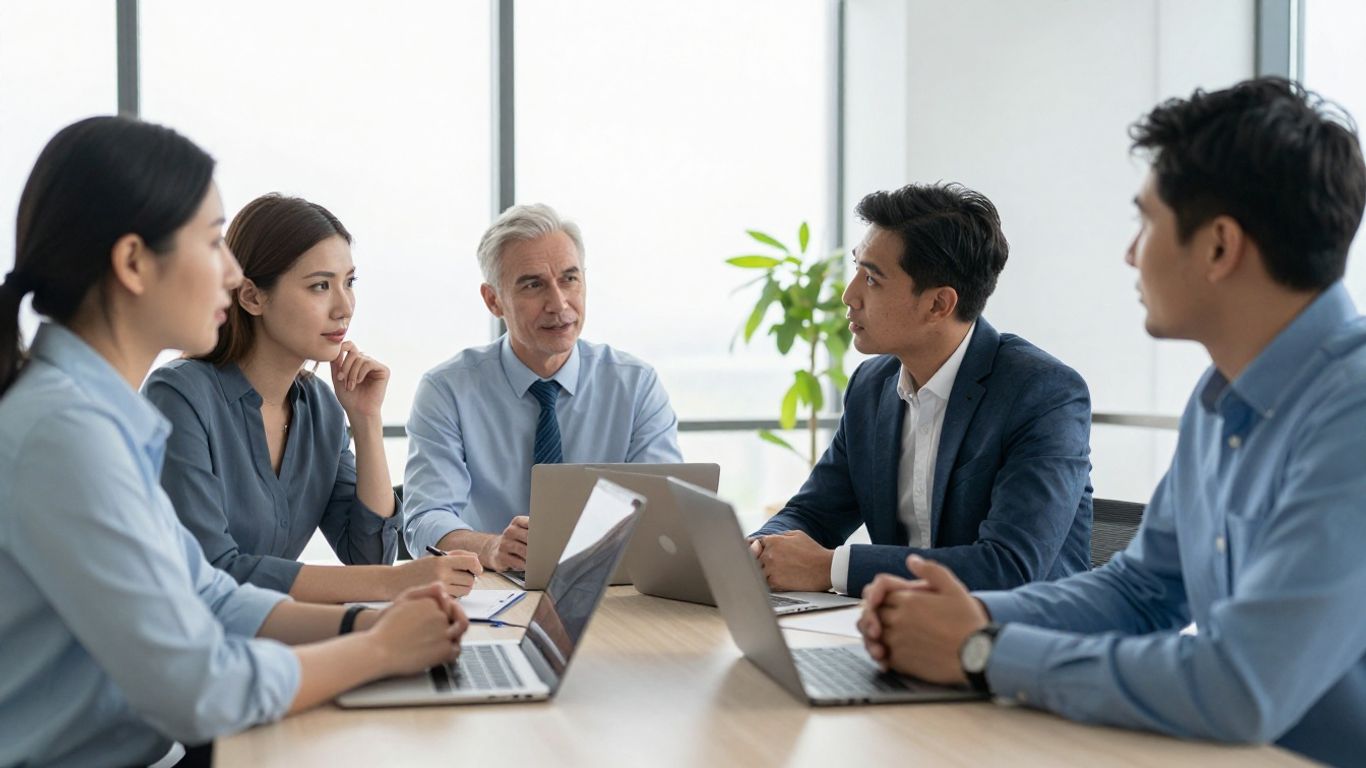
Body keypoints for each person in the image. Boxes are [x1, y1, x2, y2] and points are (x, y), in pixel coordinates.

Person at [857, 79, 1366, 768]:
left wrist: (982, 652)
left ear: (1219, 247)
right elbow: (1142, 591)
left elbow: (1240, 686)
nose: (1131, 253)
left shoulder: (1353, 414)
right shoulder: (1220, 398)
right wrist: (962, 620)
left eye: (1147, 223)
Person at [0, 116, 467, 767]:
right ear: (133, 262)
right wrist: (379, 650)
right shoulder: (66, 435)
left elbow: (208, 593)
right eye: (214, 242)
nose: (230, 273)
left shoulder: (99, 422)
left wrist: (368, 624)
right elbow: (201, 689)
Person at [750, 183, 1093, 597]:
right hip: (896, 633)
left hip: (1018, 644)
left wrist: (831, 567)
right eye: (857, 268)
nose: (849, 295)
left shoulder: (1043, 393)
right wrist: (756, 552)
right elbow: (813, 513)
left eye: (872, 278)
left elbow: (1009, 566)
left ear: (938, 305)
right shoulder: (870, 387)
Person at [144, 194, 481, 602]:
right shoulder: (179, 396)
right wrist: (397, 583)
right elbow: (214, 570)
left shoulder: (320, 406)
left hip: (270, 638)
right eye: (321, 286)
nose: (344, 307)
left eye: (349, 282)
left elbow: (369, 555)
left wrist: (366, 419)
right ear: (252, 297)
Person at [402, 203, 682, 570]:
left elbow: (666, 514)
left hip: (610, 587)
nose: (559, 303)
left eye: (569, 279)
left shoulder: (635, 385)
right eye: (534, 285)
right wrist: (492, 548)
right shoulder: (447, 390)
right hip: (493, 589)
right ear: (493, 300)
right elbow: (425, 518)